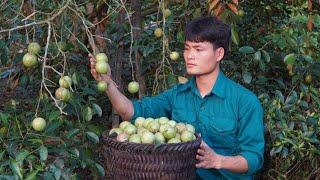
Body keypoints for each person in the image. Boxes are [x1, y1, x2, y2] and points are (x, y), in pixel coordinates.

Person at [89, 16, 264, 179]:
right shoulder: (177, 95)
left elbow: (253, 158)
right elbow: (131, 112)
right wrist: (108, 83)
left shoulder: (245, 101)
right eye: (187, 49)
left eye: (198, 49)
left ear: (219, 54)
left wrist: (218, 160)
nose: (189, 56)